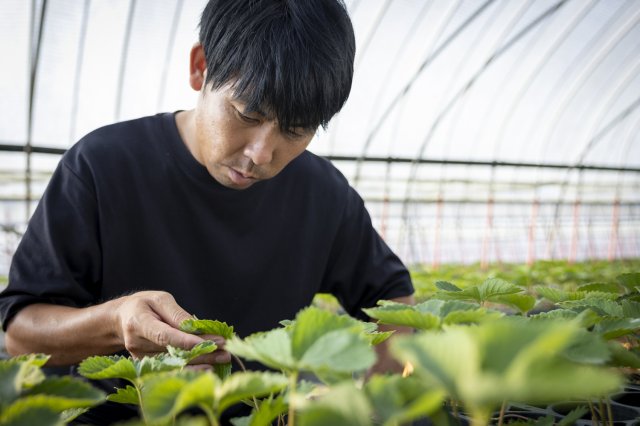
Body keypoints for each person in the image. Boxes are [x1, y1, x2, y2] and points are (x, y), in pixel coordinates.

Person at [0, 0, 414, 423]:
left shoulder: (325, 195)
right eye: (247, 113)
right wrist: (114, 321)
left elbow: (396, 300)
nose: (261, 154)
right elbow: (20, 333)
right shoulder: (101, 166)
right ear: (200, 67)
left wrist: (361, 395)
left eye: (296, 130)